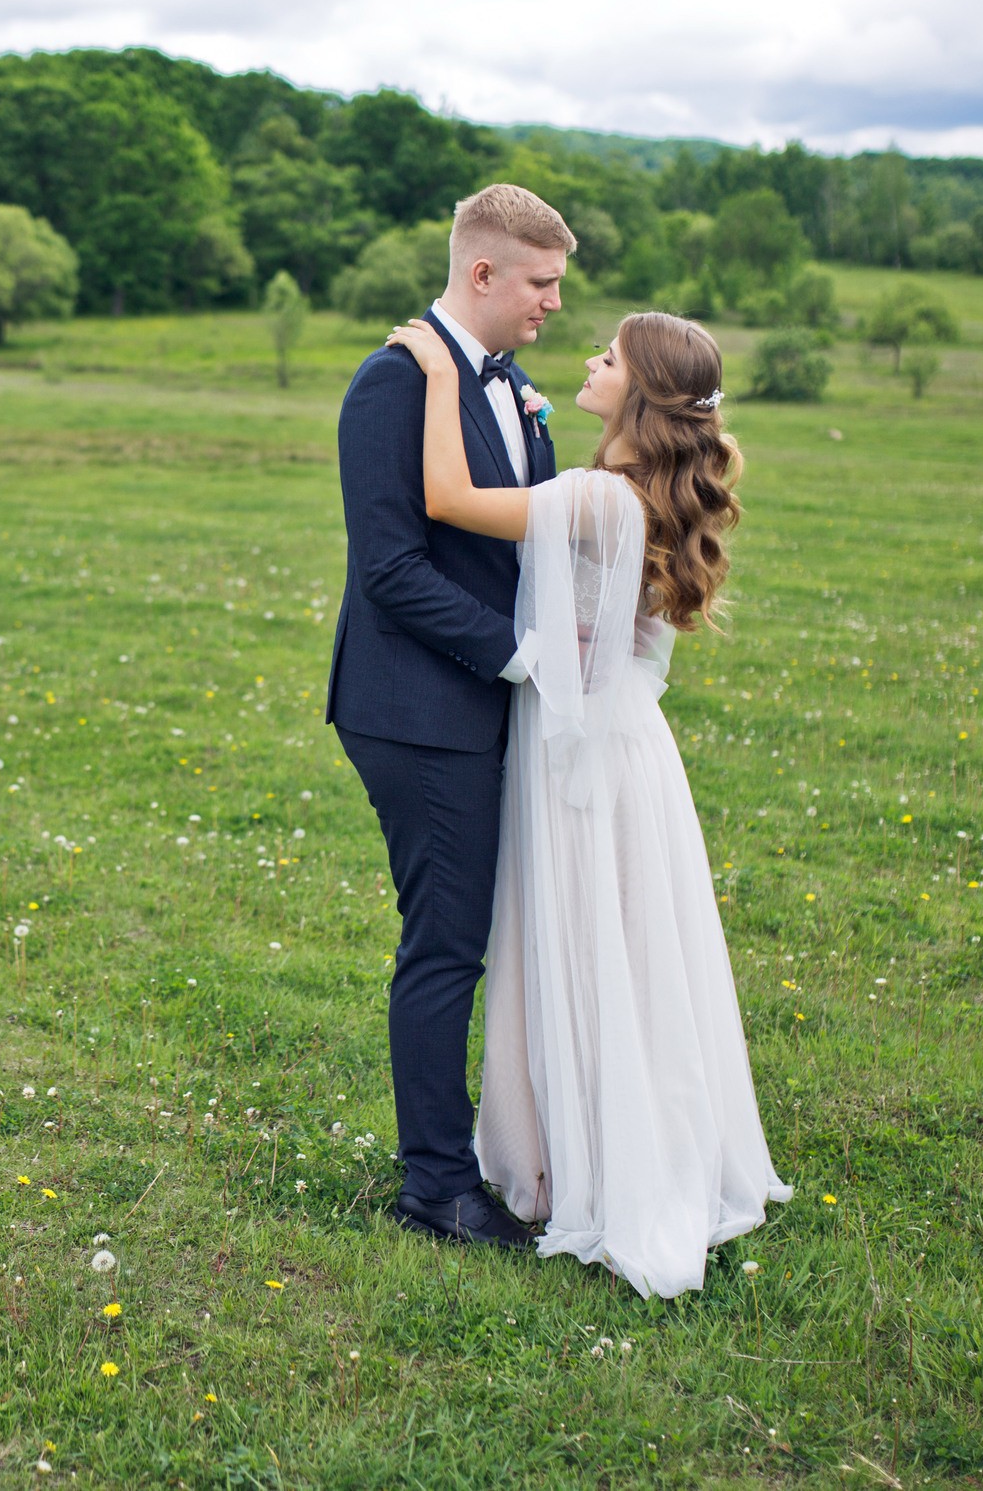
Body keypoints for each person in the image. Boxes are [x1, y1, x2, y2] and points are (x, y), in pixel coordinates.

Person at [380, 306, 791, 1298]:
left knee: (586, 948)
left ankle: (597, 1169)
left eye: (606, 357)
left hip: (584, 762)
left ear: (639, 392)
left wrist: (437, 365)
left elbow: (443, 496)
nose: (586, 362)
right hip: (622, 746)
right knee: (617, 949)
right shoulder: (628, 495)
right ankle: (575, 1148)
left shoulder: (603, 501)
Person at [325, 183, 570, 1251]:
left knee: (473, 934)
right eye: (541, 283)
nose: (555, 304)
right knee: (445, 946)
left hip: (479, 696)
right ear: (482, 274)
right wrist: (522, 659)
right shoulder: (391, 384)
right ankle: (435, 1188)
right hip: (419, 708)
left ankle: (498, 1149)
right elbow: (390, 571)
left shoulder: (508, 386)